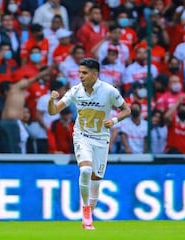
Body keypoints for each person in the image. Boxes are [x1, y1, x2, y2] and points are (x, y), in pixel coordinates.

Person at [48, 58, 131, 230]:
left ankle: (88, 219)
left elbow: (126, 110)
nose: (80, 76)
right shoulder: (76, 91)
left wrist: (114, 120)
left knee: (96, 181)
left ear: (95, 74)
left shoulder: (109, 91)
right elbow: (53, 111)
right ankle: (86, 210)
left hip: (101, 139)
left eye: (84, 73)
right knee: (85, 170)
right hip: (82, 136)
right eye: (79, 72)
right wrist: (51, 100)